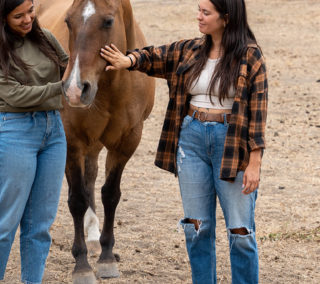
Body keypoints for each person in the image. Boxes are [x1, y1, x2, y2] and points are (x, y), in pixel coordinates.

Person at [100, 0, 267, 283]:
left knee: (240, 232)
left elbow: (258, 110)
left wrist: (255, 161)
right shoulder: (191, 49)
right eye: (199, 10)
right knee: (196, 228)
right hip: (191, 141)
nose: (199, 17)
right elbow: (155, 56)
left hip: (232, 144)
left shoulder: (250, 56)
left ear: (225, 18)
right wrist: (127, 61)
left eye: (206, 12)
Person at [0, 0, 68, 283]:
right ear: (2, 17)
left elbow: (71, 68)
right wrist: (61, 88)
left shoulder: (46, 39)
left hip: (53, 131)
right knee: (6, 219)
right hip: (15, 131)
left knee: (40, 223)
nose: (28, 19)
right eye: (18, 16)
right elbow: (14, 95)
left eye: (31, 11)